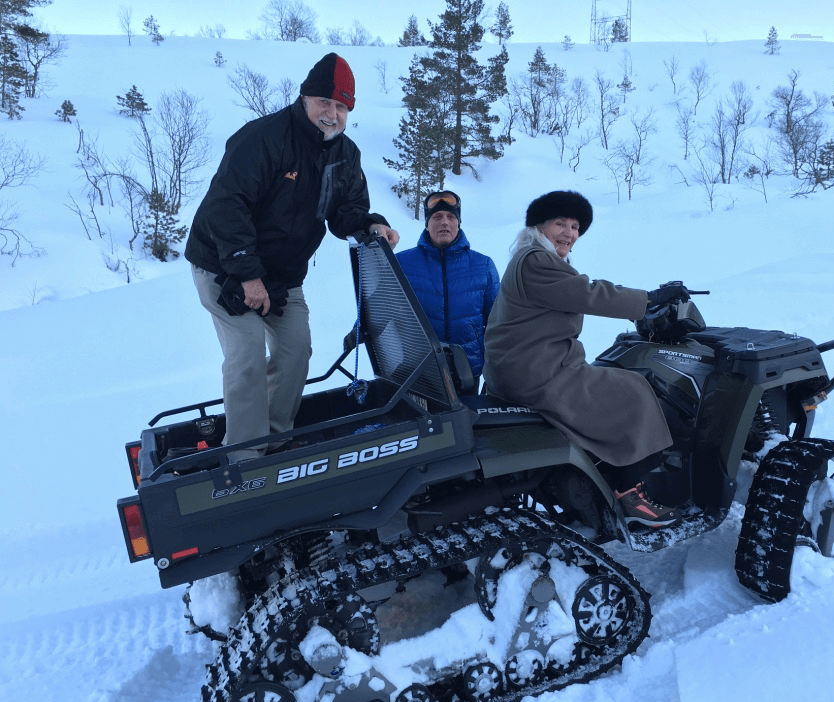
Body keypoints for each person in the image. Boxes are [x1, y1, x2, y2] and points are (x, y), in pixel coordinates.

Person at [186, 53, 400, 461]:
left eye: (341, 107)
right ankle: (245, 459)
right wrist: (248, 274)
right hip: (223, 265)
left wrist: (371, 226)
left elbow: (347, 212)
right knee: (247, 352)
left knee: (295, 349)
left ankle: (275, 439)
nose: (332, 114)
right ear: (305, 98)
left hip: (281, 275)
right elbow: (226, 206)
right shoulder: (263, 138)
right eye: (325, 102)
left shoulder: (345, 155)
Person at [482, 191, 689, 528]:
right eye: (559, 223)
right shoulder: (535, 259)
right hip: (538, 374)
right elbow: (587, 293)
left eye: (575, 226)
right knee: (635, 388)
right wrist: (649, 300)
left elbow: (578, 290)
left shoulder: (532, 259)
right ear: (539, 227)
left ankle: (599, 472)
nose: (568, 232)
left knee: (611, 378)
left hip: (526, 367)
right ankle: (630, 495)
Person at [394, 190, 499, 386]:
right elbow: (382, 306)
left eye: (451, 217)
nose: (444, 222)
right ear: (427, 224)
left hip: (468, 370)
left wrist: (500, 368)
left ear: (458, 223)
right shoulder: (402, 263)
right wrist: (361, 328)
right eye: (437, 217)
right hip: (419, 370)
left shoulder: (482, 265)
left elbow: (498, 323)